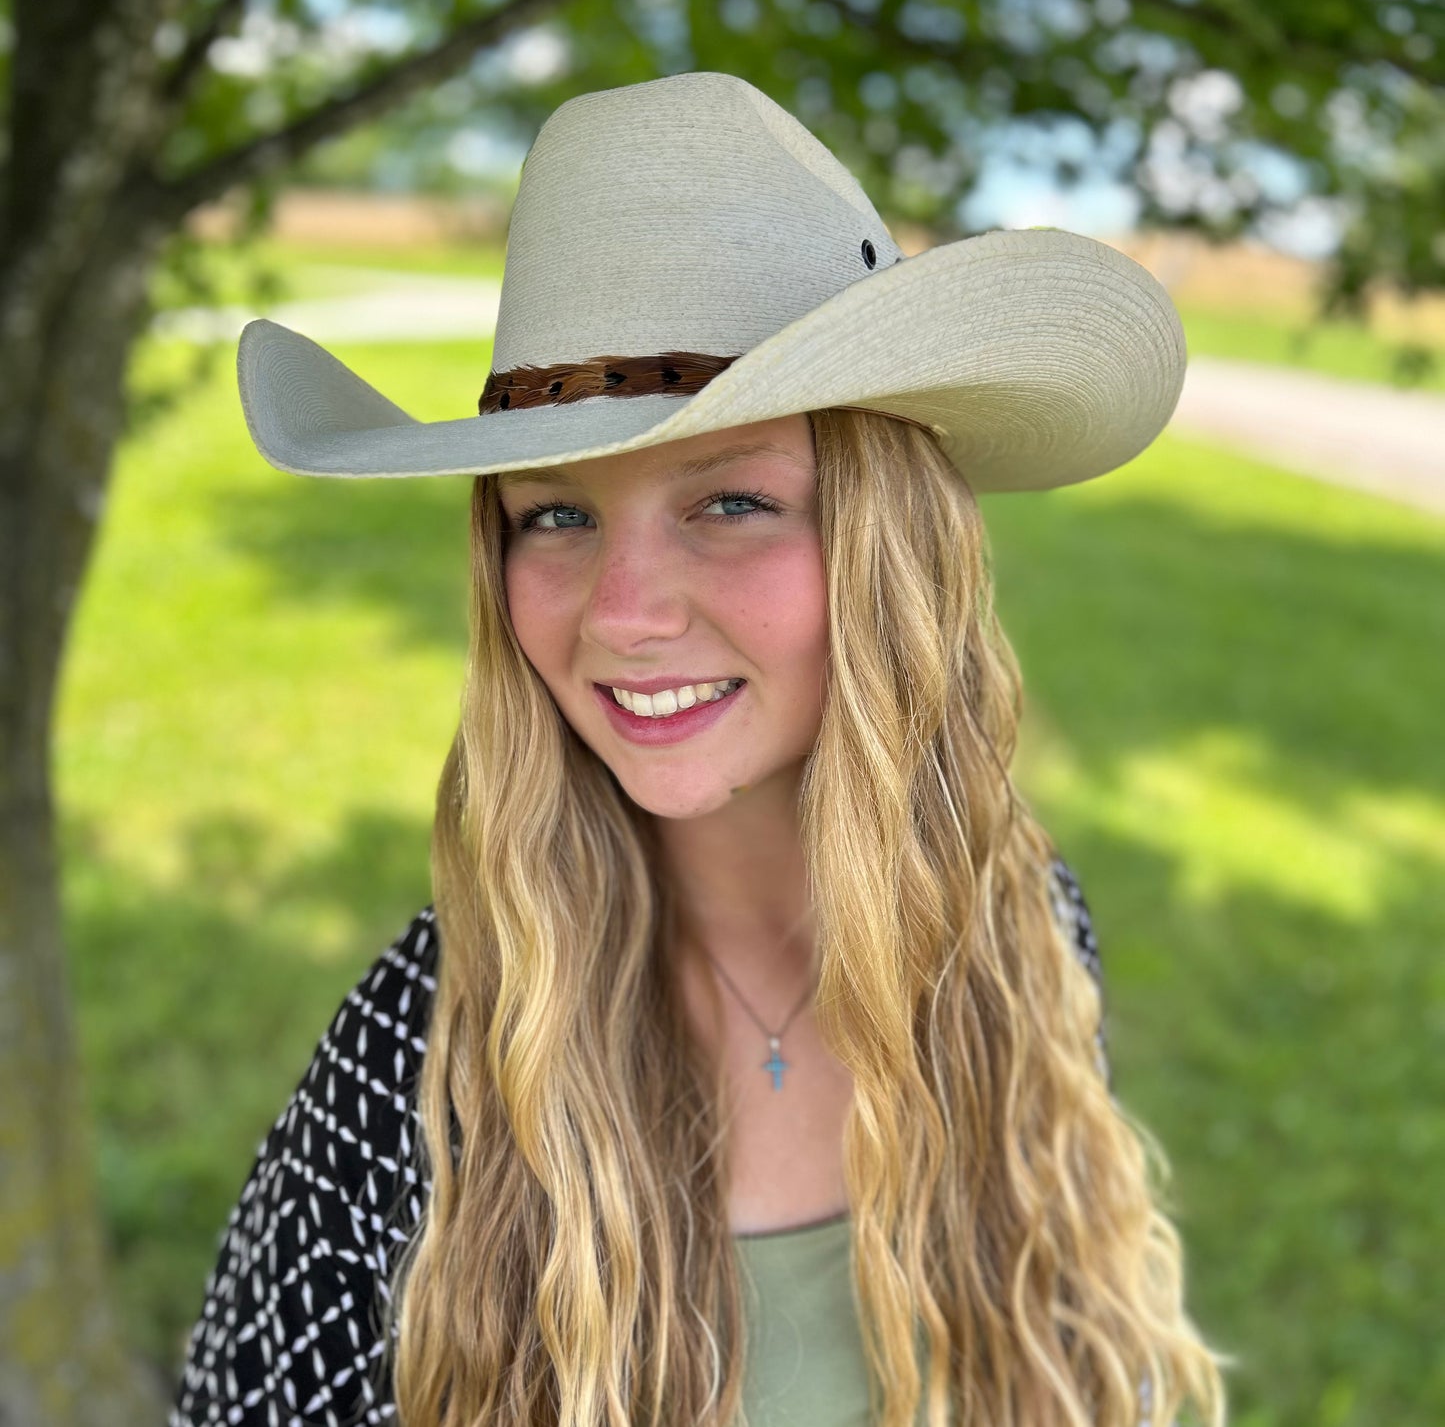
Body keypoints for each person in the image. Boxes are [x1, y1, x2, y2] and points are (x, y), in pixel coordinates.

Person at [170, 71, 1230, 1427]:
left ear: (886, 549)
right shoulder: (424, 1063)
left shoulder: (1014, 932)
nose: (624, 613)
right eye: (553, 517)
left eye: (729, 499)